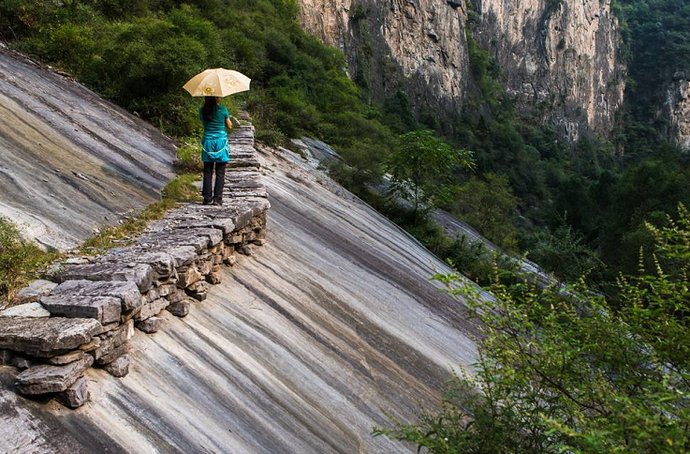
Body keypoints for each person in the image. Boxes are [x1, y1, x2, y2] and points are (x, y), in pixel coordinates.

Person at [200, 96, 233, 205]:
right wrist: (227, 118)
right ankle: (217, 199)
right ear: (216, 98)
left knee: (208, 171)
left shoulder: (202, 110)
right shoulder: (223, 109)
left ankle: (207, 198)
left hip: (208, 142)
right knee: (220, 172)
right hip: (221, 142)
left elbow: (204, 124)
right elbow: (229, 126)